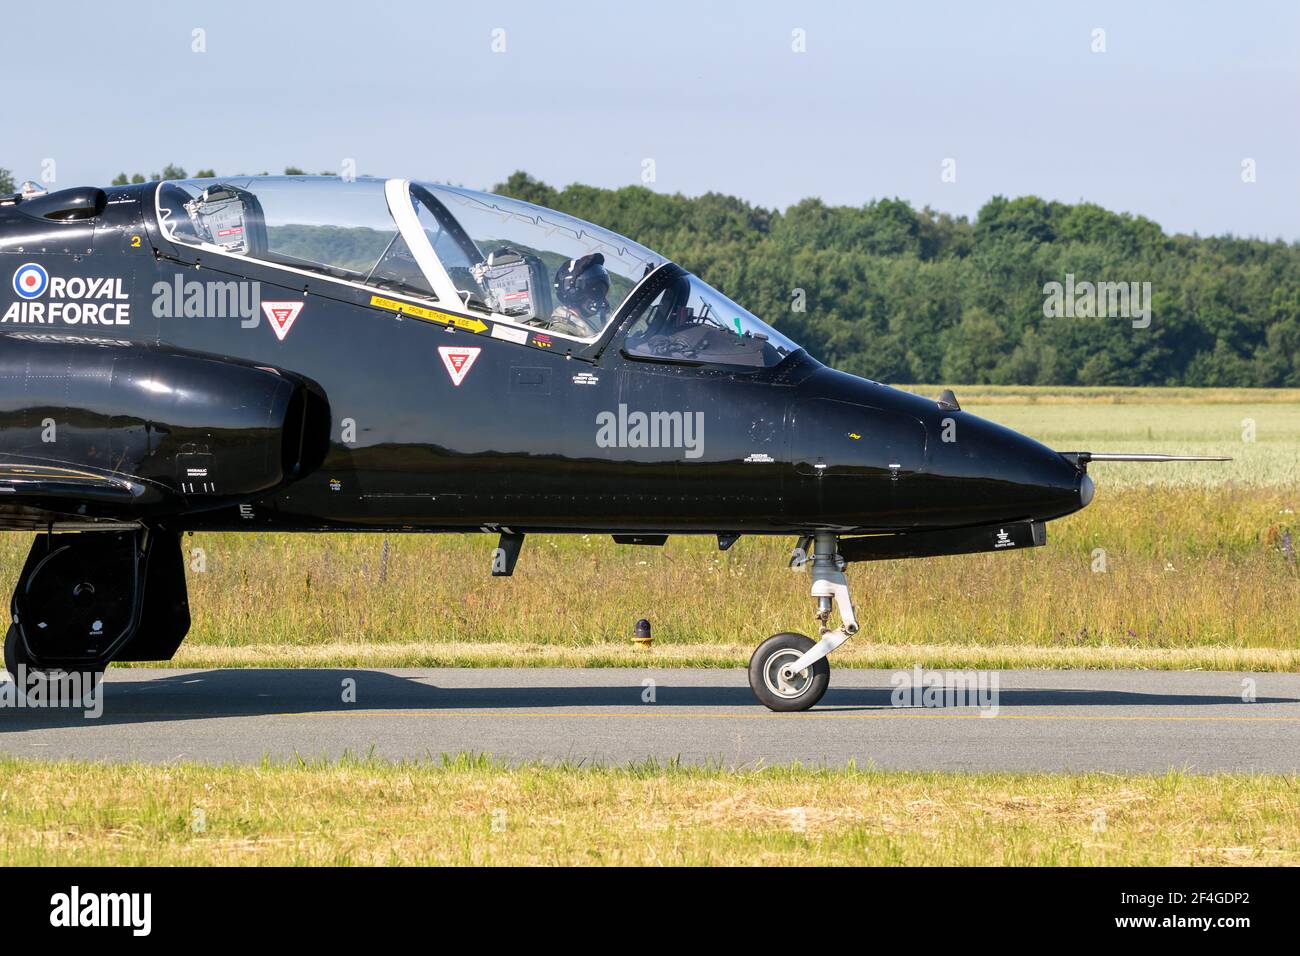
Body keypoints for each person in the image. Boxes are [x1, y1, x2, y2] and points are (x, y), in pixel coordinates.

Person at [546, 253, 610, 337]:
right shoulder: (561, 332)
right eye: (596, 291)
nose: (602, 299)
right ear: (574, 294)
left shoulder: (581, 327)